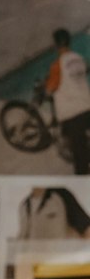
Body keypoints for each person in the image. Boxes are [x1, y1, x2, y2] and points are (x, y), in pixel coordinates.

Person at [45, 29, 90, 175]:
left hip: (72, 114)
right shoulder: (79, 58)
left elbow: (50, 88)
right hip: (87, 106)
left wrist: (46, 89)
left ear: (56, 45)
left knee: (80, 157)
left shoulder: (57, 65)